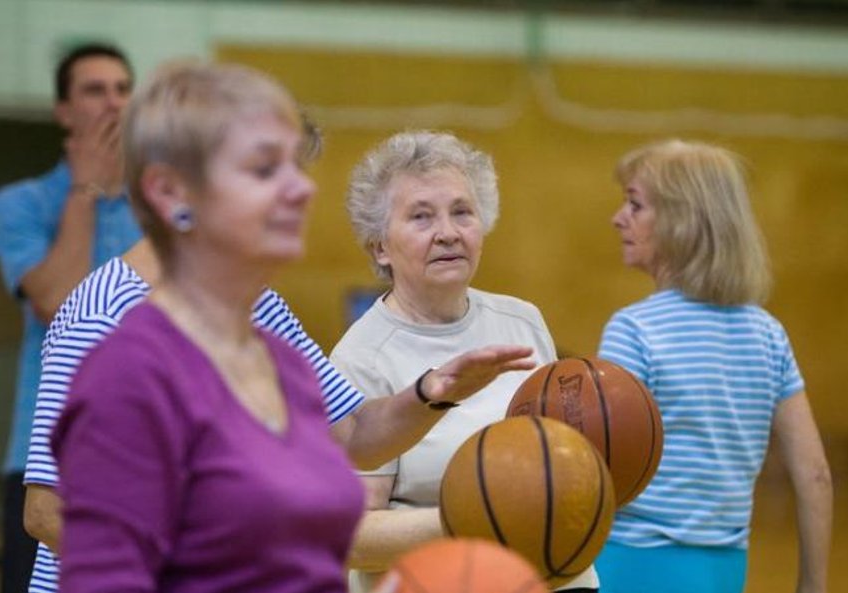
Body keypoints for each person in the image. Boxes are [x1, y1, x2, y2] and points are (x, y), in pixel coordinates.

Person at [48, 61, 534, 593]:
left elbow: (353, 437)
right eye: (263, 170)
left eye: (295, 169)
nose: (300, 190)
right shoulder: (124, 350)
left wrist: (431, 393)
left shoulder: (270, 331)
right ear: (172, 193)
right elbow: (59, 522)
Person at [330, 130, 598, 592]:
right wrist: (485, 515)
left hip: (551, 577)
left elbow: (556, 465)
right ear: (380, 246)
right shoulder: (360, 357)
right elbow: (354, 538)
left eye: (462, 212)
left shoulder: (523, 320)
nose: (448, 232)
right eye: (421, 216)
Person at [592, 139, 832, 593]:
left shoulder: (634, 330)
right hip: (725, 572)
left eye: (635, 204)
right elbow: (815, 473)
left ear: (681, 222)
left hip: (629, 566)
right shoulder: (769, 335)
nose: (618, 217)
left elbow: (597, 472)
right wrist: (813, 585)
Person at [0, 42, 142, 593]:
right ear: (62, 111)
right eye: (94, 90)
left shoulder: (157, 208)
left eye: (123, 90)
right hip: (43, 462)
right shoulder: (21, 203)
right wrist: (86, 189)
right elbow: (55, 302)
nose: (113, 103)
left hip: (138, 452)